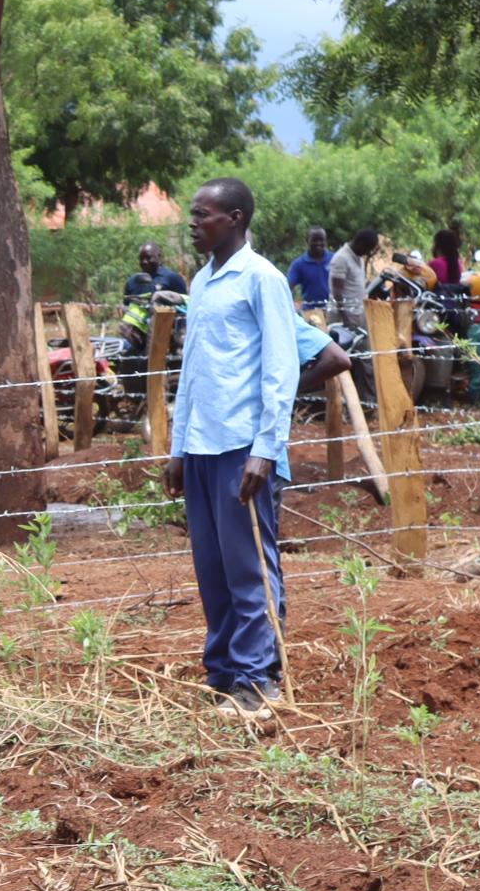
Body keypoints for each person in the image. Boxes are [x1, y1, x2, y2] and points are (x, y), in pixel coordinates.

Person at [165, 178, 300, 720]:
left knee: (249, 568)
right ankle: (223, 673)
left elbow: (281, 368)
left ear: (235, 218)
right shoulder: (202, 281)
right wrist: (178, 448)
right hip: (201, 445)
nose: (193, 224)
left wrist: (266, 449)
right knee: (213, 568)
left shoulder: (262, 279)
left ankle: (259, 679)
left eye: (203, 214)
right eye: (193, 215)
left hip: (242, 446)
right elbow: (192, 372)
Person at [329, 228, 379, 327]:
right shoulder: (341, 258)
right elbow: (337, 293)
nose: (368, 253)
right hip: (343, 316)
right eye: (368, 249)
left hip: (356, 312)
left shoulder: (359, 258)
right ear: (360, 244)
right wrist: (345, 319)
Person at [125, 242, 190, 305]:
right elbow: (126, 305)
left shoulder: (173, 278)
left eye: (148, 257)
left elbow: (184, 304)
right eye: (141, 258)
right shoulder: (132, 281)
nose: (144, 261)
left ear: (159, 256)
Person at [286, 228, 332, 312]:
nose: (318, 243)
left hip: (333, 310)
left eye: (321, 240)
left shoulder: (334, 259)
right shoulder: (299, 264)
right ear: (307, 241)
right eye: (315, 240)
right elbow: (287, 288)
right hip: (310, 311)